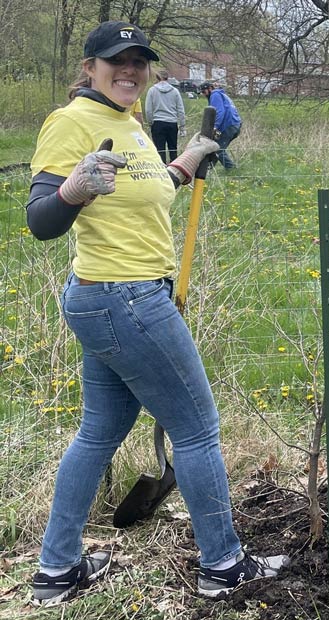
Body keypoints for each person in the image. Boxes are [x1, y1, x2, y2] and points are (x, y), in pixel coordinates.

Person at [25, 21, 287, 606]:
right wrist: (72, 190)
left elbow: (146, 196)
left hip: (116, 298)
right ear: (89, 66)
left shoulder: (131, 123)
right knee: (198, 430)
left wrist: (188, 160)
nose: (130, 70)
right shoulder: (71, 123)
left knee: (98, 433)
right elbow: (40, 219)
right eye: (117, 61)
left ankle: (56, 571)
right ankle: (223, 564)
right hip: (125, 299)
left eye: (140, 61)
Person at [146, 68, 186, 163]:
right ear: (167, 78)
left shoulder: (152, 90)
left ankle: (162, 170)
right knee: (173, 149)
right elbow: (181, 110)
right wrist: (182, 126)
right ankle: (175, 170)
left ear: (156, 77)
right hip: (172, 123)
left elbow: (148, 110)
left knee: (160, 149)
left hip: (158, 123)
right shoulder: (175, 91)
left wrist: (150, 122)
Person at [200, 81, 241, 169]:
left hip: (229, 125)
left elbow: (219, 111)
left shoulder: (215, 95)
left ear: (210, 88)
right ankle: (209, 167)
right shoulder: (221, 94)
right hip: (235, 124)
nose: (203, 94)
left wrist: (215, 127)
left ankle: (231, 168)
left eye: (204, 92)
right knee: (216, 146)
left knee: (217, 148)